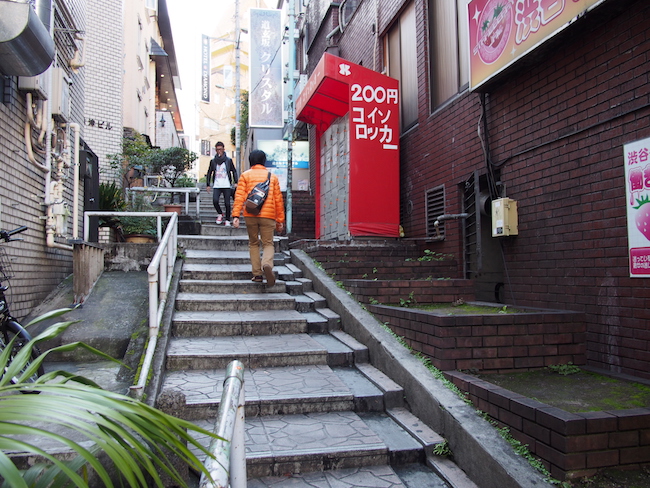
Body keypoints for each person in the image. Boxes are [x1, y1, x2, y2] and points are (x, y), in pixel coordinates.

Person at [232, 149, 285, 286]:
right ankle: (267, 264)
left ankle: (257, 274)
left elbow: (239, 197)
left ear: (251, 161)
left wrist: (236, 215)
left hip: (251, 214)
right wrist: (280, 220)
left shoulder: (245, 176)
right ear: (263, 161)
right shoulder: (272, 177)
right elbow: (278, 200)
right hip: (268, 215)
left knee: (253, 243)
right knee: (268, 243)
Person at [206, 141, 238, 226]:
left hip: (226, 184)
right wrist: (208, 184)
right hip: (217, 184)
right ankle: (220, 214)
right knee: (215, 201)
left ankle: (227, 219)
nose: (219, 151)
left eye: (220, 149)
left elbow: (233, 171)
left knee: (227, 203)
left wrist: (236, 182)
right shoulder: (213, 161)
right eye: (217, 150)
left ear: (224, 149)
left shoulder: (228, 160)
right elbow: (209, 172)